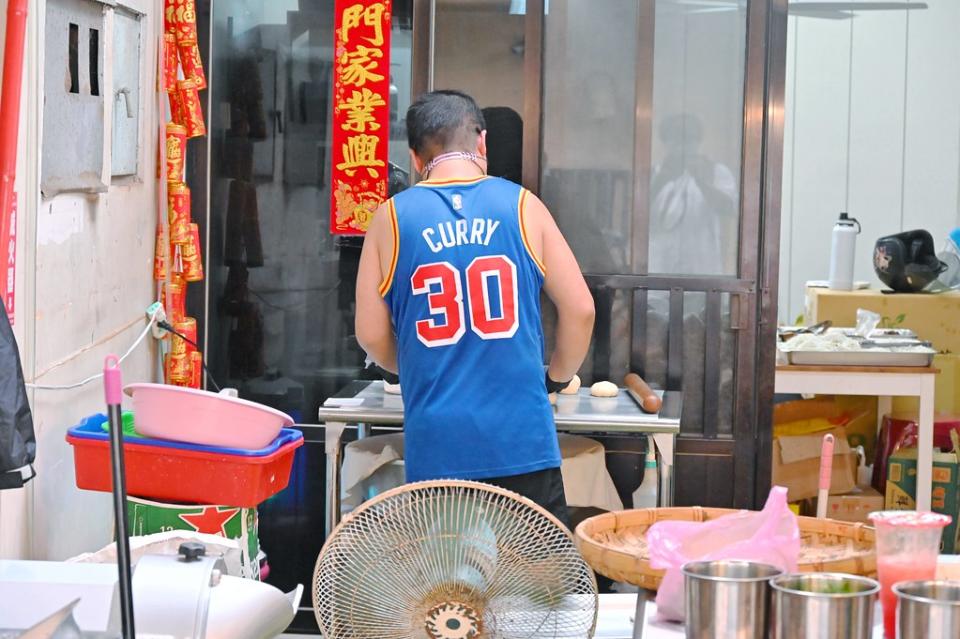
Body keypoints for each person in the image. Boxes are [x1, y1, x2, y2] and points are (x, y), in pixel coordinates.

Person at [355, 90, 595, 525]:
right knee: (538, 581)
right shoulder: (523, 206)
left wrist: (410, 365)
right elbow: (580, 309)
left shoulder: (391, 217)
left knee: (453, 585)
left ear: (414, 156)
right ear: (482, 143)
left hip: (438, 441)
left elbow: (370, 334)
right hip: (521, 438)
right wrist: (555, 379)